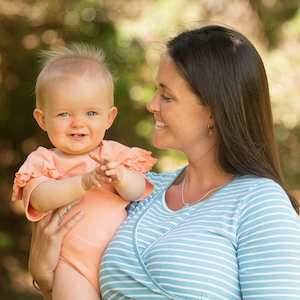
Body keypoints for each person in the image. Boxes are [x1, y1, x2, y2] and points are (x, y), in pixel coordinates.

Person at [29, 25, 300, 300]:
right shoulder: (139, 191)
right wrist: (45, 280)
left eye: (167, 96)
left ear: (213, 112)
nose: (151, 104)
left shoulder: (259, 202)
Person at [12, 45, 156, 300]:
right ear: (42, 119)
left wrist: (121, 176)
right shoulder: (43, 160)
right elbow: (40, 198)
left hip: (120, 258)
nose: (78, 122)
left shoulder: (115, 155)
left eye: (91, 113)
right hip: (70, 265)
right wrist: (83, 182)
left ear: (109, 118)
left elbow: (137, 192)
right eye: (64, 114)